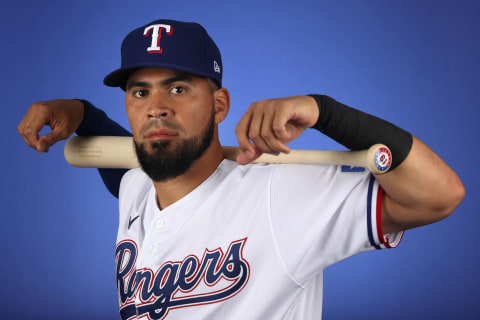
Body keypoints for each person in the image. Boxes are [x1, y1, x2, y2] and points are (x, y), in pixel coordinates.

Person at [18, 19, 465, 319]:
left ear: (219, 105)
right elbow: (127, 170)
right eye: (139, 92)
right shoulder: (139, 184)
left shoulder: (282, 195)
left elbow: (440, 194)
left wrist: (324, 111)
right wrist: (82, 112)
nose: (155, 108)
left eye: (177, 88)